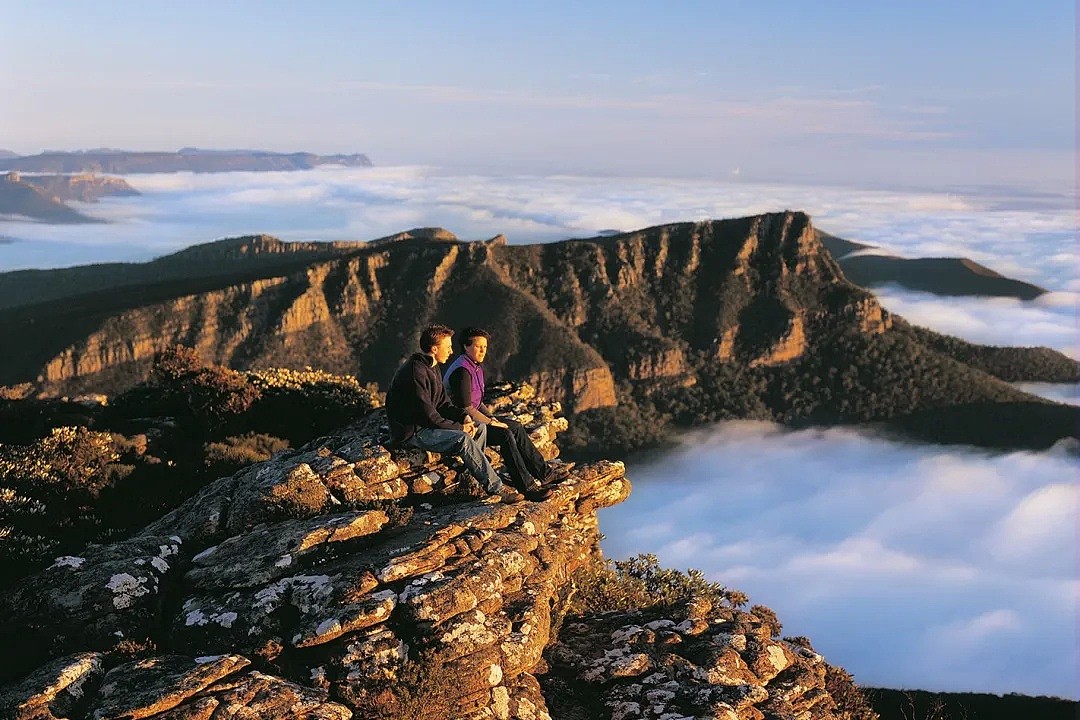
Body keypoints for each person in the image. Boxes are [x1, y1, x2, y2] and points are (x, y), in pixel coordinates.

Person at [386, 323, 516, 501]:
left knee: (479, 426)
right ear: (434, 348)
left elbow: (442, 402)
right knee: (462, 439)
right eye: (447, 347)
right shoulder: (415, 372)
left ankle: (473, 479)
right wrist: (459, 428)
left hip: (426, 424)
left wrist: (464, 417)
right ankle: (497, 487)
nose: (451, 351)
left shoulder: (432, 366)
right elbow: (428, 417)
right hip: (413, 431)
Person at [444, 327, 560, 500]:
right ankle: (527, 487)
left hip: (478, 418)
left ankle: (545, 474)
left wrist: (492, 417)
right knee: (505, 435)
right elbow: (466, 408)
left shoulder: (475, 367)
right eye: (478, 346)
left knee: (516, 427)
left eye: (485, 346)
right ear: (466, 347)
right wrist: (492, 423)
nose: (483, 350)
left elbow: (478, 402)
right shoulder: (461, 371)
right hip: (463, 423)